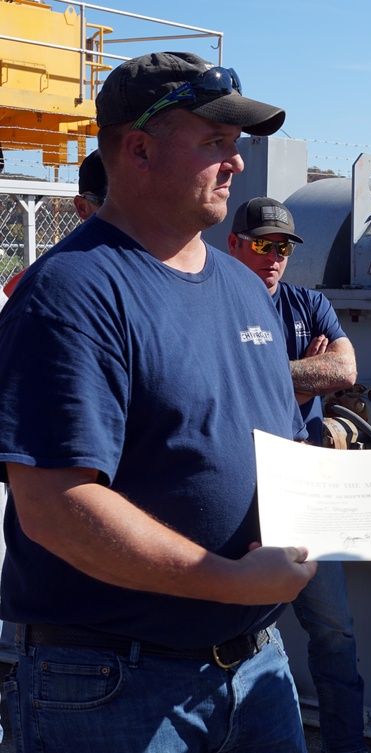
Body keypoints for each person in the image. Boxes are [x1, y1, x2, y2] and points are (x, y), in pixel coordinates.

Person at [0, 51, 352, 753]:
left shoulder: (244, 288)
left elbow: (273, 453)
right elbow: (55, 504)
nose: (238, 163)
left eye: (238, 145)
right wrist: (225, 580)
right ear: (138, 149)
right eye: (216, 142)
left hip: (255, 669)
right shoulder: (72, 292)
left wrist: (359, 498)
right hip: (114, 689)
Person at [229, 196, 366, 753]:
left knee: (335, 631)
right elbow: (221, 384)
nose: (274, 257)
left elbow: (346, 369)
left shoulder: (308, 303)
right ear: (234, 244)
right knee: (234, 631)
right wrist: (303, 377)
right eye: (263, 244)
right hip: (241, 492)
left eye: (283, 247)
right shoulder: (215, 307)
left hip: (306, 488)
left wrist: (269, 374)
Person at [2, 149, 107, 297]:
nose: (128, 212)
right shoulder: (66, 267)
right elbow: (14, 290)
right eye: (109, 202)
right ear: (82, 207)